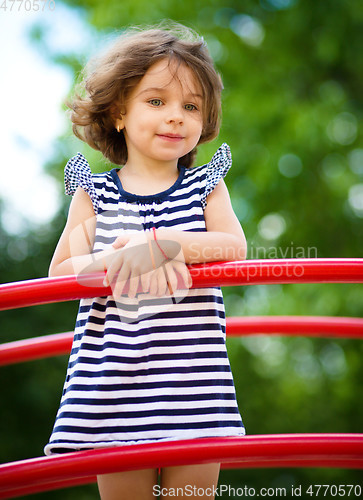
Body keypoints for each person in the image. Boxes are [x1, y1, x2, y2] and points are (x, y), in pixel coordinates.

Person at [44, 22, 247, 500]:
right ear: (119, 113)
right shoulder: (94, 195)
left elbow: (232, 246)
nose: (176, 116)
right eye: (157, 101)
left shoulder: (205, 186)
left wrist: (159, 245)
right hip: (113, 390)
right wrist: (109, 262)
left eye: (190, 106)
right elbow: (58, 274)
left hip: (192, 389)